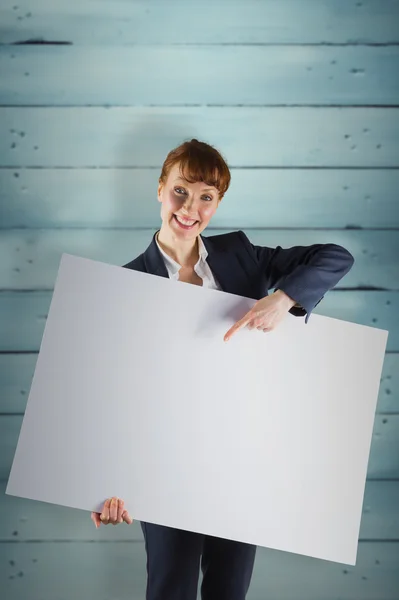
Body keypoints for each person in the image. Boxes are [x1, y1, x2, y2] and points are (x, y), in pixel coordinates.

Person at [90, 138, 355, 599]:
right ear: (160, 188)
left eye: (206, 197)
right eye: (180, 190)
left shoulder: (240, 255)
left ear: (218, 203)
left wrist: (283, 298)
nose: (190, 207)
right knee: (170, 589)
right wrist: (106, 484)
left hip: (240, 459)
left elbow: (336, 257)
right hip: (165, 464)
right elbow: (111, 397)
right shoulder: (127, 284)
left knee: (229, 592)